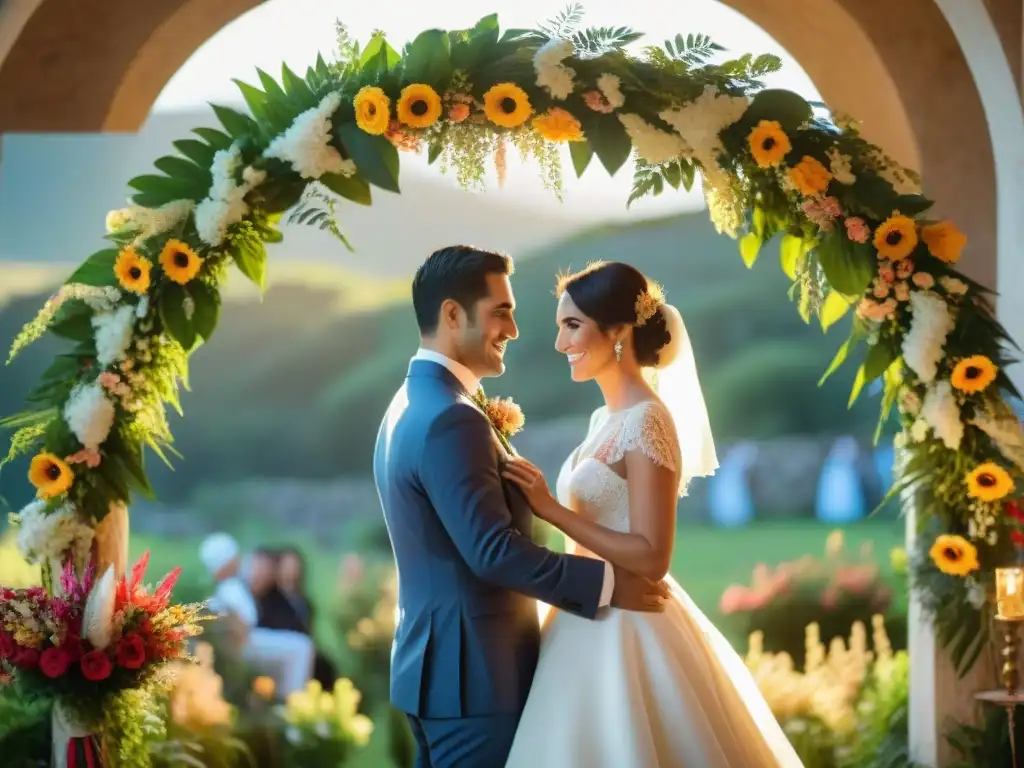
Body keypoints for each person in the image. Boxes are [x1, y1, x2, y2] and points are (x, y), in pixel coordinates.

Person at [372, 245, 669, 768]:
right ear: (452, 314)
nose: (513, 330)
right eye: (501, 312)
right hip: (476, 679)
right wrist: (607, 585)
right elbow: (491, 551)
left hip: (438, 672)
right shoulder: (452, 417)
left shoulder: (408, 403)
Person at [501, 261, 804, 767]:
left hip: (628, 625)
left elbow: (652, 556)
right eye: (560, 327)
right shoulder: (604, 418)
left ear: (618, 331)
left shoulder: (648, 422)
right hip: (581, 616)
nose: (560, 343)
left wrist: (551, 510)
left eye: (572, 326)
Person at [199, 533, 315, 698]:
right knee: (301, 647)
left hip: (246, 641)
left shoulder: (235, 584)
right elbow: (239, 625)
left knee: (298, 649)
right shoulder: (229, 589)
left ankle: (285, 703)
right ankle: (294, 706)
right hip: (244, 644)